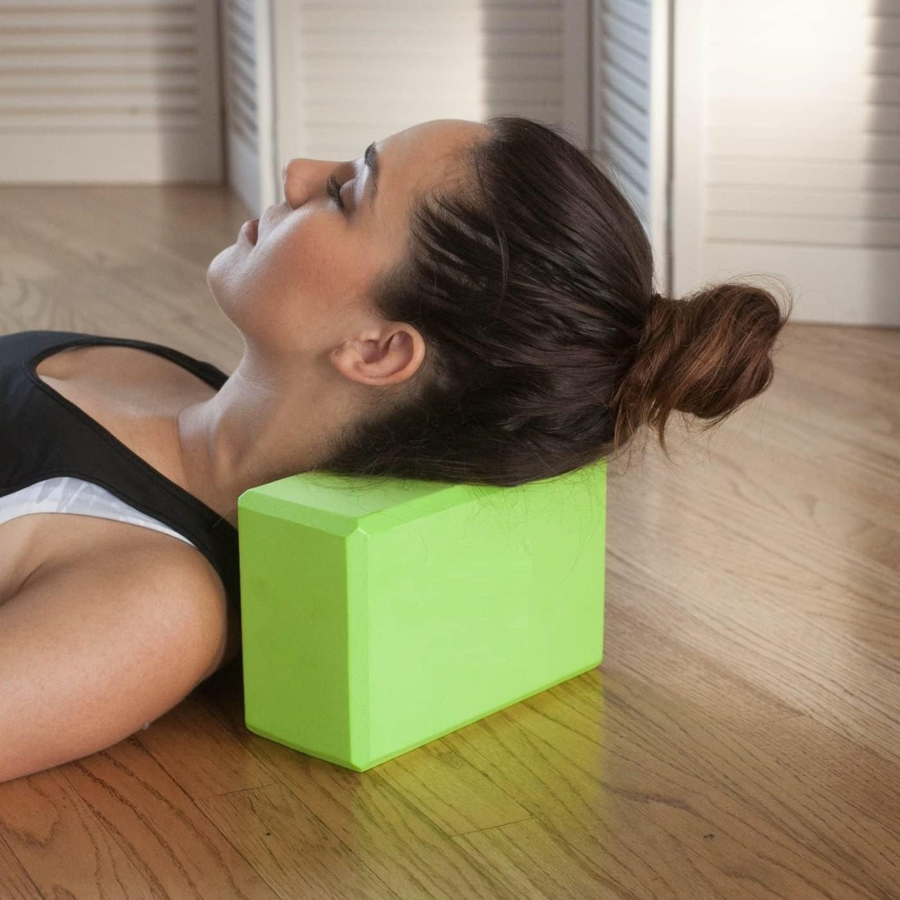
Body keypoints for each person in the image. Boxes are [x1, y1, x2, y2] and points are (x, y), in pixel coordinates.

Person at [0, 116, 792, 783]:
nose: (299, 173)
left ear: (377, 350)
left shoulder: (156, 608)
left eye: (346, 194)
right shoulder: (165, 377)